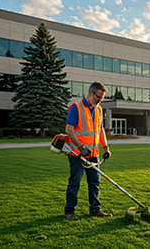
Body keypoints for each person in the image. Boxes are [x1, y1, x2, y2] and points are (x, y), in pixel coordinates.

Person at [64, 81, 112, 221]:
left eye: (102, 98)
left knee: (95, 183)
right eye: (99, 97)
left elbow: (100, 130)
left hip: (94, 154)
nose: (100, 100)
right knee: (75, 183)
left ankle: (95, 209)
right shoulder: (76, 108)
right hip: (77, 154)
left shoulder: (98, 109)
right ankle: (69, 211)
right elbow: (69, 130)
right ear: (91, 93)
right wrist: (80, 147)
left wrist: (106, 147)